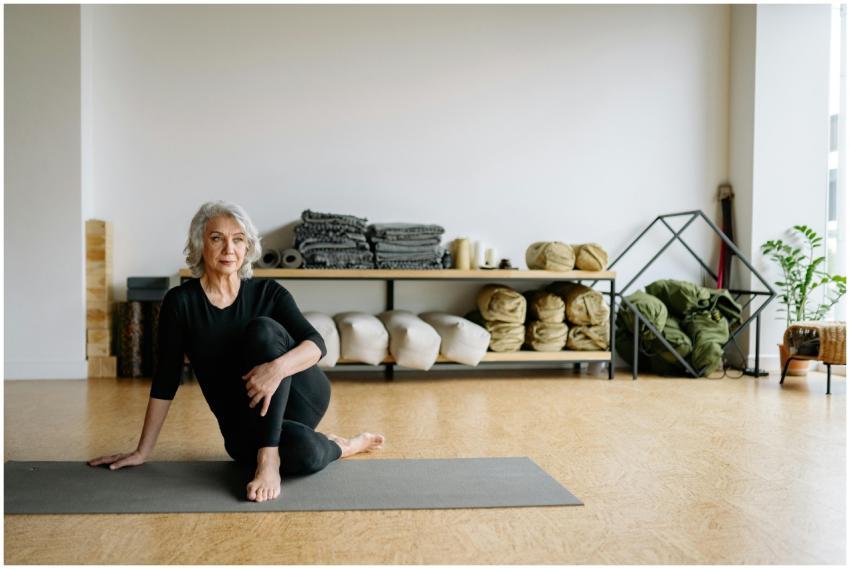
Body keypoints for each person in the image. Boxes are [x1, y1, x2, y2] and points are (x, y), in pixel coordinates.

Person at [88, 200, 385, 503]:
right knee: (306, 452)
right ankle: (344, 446)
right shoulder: (181, 303)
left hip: (301, 398)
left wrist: (277, 369)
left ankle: (269, 456)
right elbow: (166, 379)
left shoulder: (268, 292)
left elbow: (316, 344)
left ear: (248, 246)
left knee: (263, 330)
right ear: (200, 244)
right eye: (217, 238)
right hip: (242, 425)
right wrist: (142, 451)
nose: (229, 249)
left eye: (238, 239)